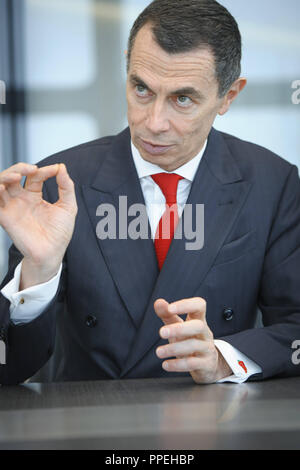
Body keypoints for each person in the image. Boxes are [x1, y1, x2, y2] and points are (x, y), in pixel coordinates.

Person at [0, 0, 300, 386]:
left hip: (215, 428)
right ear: (127, 68)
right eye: (141, 88)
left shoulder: (272, 182)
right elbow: (9, 369)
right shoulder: (60, 182)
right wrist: (38, 272)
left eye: (182, 99)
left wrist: (224, 359)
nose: (153, 123)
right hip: (87, 425)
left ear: (228, 96)